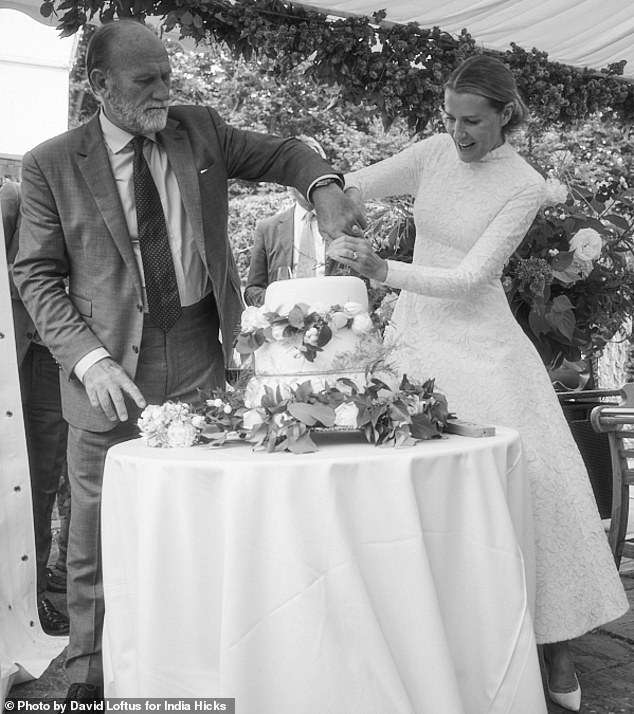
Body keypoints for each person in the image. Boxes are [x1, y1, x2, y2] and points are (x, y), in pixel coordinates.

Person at [12, 19, 365, 702]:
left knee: (201, 517)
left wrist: (323, 189)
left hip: (202, 357)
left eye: (168, 75)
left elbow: (288, 152)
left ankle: (195, 666)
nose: (164, 92)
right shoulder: (50, 164)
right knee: (97, 532)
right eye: (147, 80)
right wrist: (87, 361)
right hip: (108, 373)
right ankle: (87, 676)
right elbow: (36, 278)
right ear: (99, 84)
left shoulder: (197, 129)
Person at [327, 54, 628, 713]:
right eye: (450, 118)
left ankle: (554, 640)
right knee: (415, 491)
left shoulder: (521, 184)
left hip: (486, 348)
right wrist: (334, 198)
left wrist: (384, 267)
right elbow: (355, 183)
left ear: (505, 116)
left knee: (531, 483)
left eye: (472, 122)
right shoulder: (435, 151)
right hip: (414, 341)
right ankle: (433, 641)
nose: (458, 133)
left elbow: (470, 278)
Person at [1, 180, 70, 636]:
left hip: (48, 356)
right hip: (13, 358)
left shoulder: (15, 196)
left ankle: (31, 595)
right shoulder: (10, 202)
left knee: (40, 479)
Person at [244, 135, 330, 306]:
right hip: (285, 326)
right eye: (295, 170)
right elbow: (252, 290)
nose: (304, 179)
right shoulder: (268, 229)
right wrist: (280, 305)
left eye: (311, 170)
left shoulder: (344, 223)